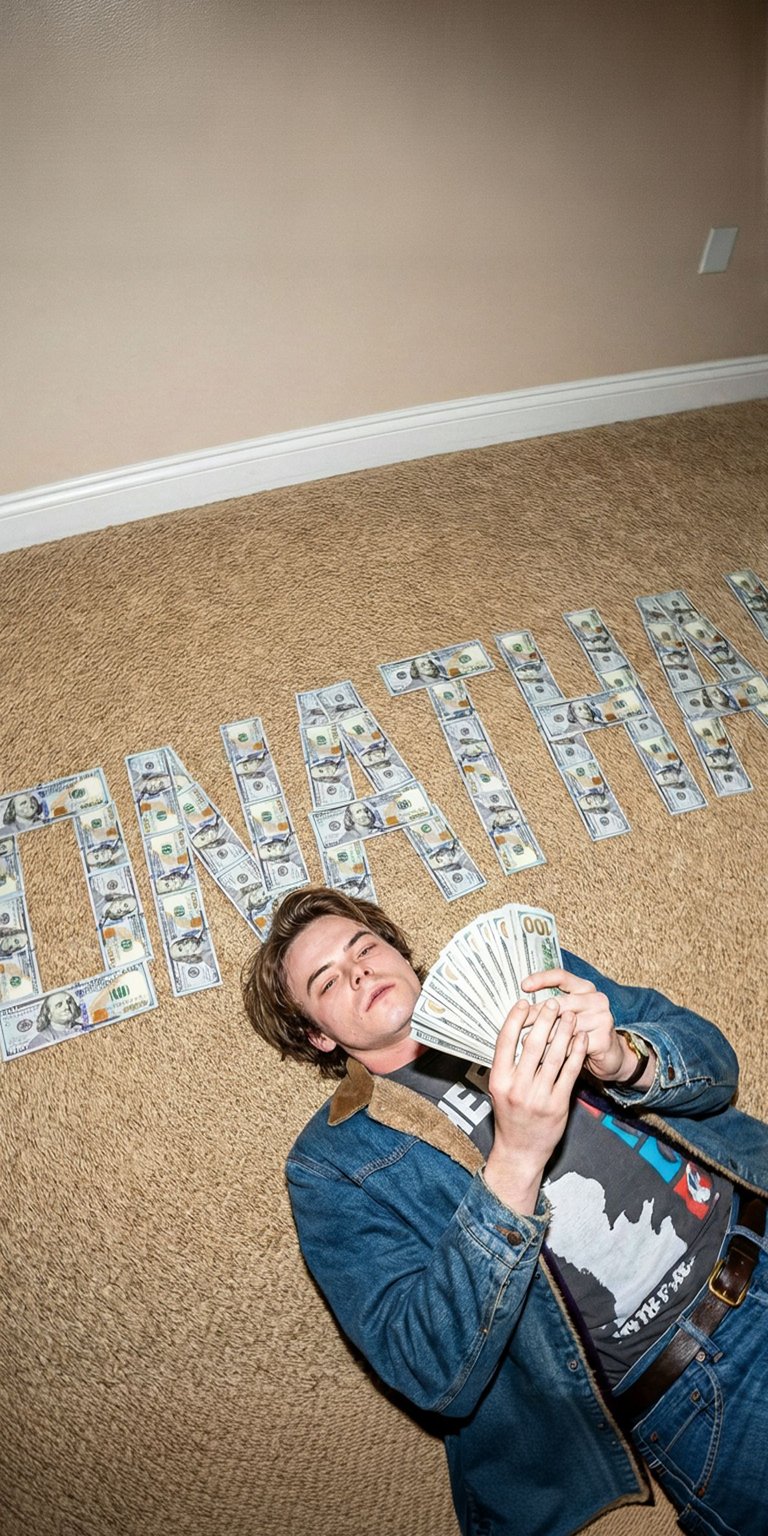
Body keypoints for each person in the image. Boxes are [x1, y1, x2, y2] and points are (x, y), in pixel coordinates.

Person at [242, 886, 768, 1536]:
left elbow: (717, 1064)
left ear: (399, 954)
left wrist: (625, 1059)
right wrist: (515, 1160)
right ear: (320, 1036)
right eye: (327, 982)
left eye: (364, 947)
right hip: (697, 1381)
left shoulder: (526, 982)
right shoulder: (331, 1164)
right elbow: (424, 1365)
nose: (358, 971)